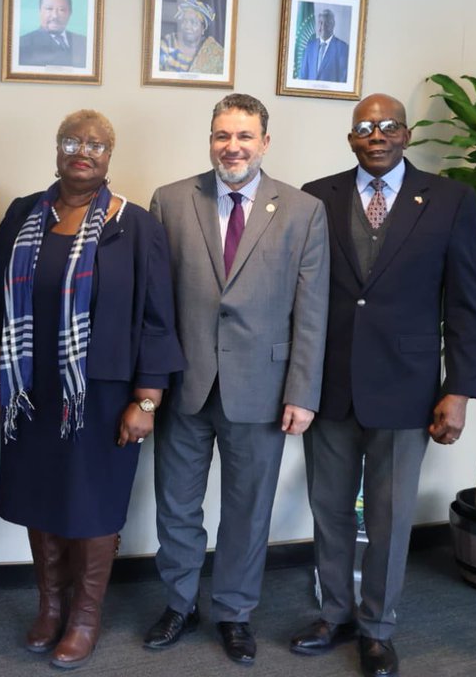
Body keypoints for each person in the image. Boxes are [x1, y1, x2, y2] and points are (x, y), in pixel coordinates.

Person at [294, 94, 476, 677]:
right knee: (329, 511)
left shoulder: (451, 199)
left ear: (405, 134)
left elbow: (463, 301)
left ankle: (378, 628)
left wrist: (460, 389)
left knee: (389, 515)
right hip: (328, 385)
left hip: (408, 388)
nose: (376, 135)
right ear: (351, 137)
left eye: (388, 126)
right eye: (365, 127)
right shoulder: (315, 197)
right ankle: (336, 614)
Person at [0, 111, 185, 669]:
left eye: (96, 144)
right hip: (31, 390)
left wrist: (147, 400)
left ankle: (85, 618)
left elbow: (156, 319)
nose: (84, 151)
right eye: (73, 141)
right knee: (39, 496)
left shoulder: (136, 226)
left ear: (109, 156)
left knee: (93, 505)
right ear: (56, 148)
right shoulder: (24, 215)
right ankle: (50, 607)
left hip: (100, 394)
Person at [146, 93, 329, 666]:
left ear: (265, 142)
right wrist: (148, 384)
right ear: (210, 140)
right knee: (176, 506)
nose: (233, 146)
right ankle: (180, 602)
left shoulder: (302, 211)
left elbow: (312, 311)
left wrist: (302, 392)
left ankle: (233, 611)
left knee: (248, 508)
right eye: (223, 135)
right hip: (186, 384)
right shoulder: (171, 201)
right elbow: (154, 304)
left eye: (245, 136)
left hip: (265, 387)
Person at [158, 0, 224, 74]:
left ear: (203, 29)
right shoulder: (167, 43)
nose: (187, 26)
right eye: (185, 21)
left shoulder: (213, 50)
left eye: (194, 22)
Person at [17, 0, 87, 68]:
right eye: (49, 9)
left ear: (70, 13)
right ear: (40, 11)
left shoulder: (84, 43)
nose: (55, 16)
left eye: (62, 10)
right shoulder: (23, 45)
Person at [299, 9, 349, 82]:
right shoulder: (310, 45)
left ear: (333, 24)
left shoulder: (343, 48)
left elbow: (343, 79)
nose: (323, 26)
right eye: (320, 22)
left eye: (327, 23)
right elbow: (302, 75)